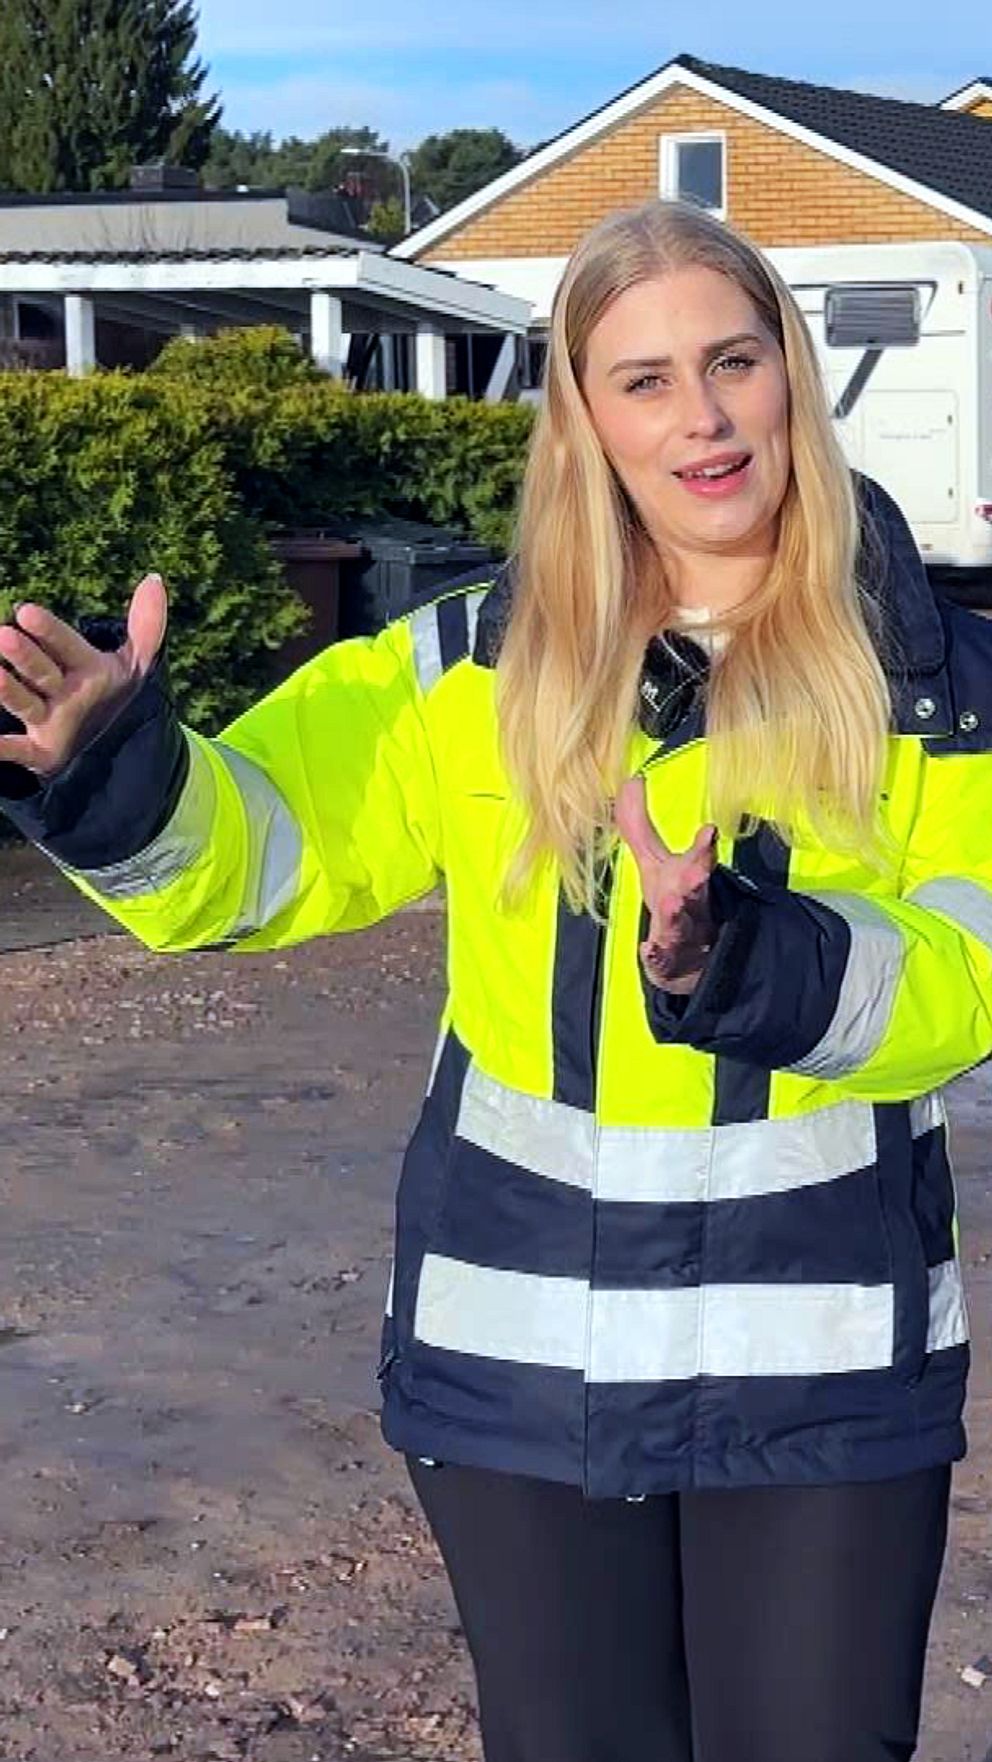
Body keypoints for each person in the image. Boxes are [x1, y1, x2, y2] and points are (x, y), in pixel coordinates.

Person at [0, 198, 988, 1762]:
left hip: (822, 1377)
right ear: (585, 419)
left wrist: (751, 960)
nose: (704, 415)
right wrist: (118, 779)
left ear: (791, 375)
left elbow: (964, 985)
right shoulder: (462, 664)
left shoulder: (936, 686)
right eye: (645, 378)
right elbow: (263, 851)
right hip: (523, 1371)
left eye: (734, 361)